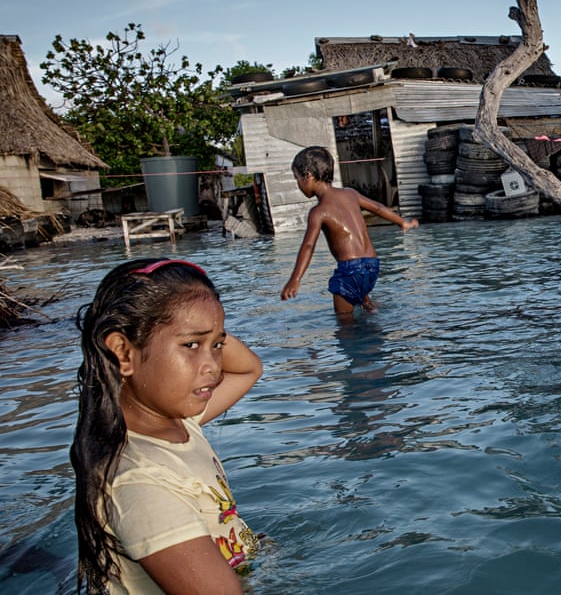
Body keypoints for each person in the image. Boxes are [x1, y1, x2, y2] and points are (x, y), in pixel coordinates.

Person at [72, 258, 264, 594]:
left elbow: (248, 370)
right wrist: (207, 328)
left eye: (217, 346)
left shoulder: (181, 424)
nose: (214, 368)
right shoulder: (141, 483)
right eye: (191, 345)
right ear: (123, 352)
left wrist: (205, 325)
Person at [281, 146, 419, 316]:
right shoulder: (350, 193)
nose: (298, 185)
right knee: (362, 295)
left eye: (297, 178)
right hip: (372, 265)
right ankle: (370, 306)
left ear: (308, 176)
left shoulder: (319, 212)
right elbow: (378, 207)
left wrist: (295, 279)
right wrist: (402, 223)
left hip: (350, 270)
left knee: (345, 325)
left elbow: (309, 246)